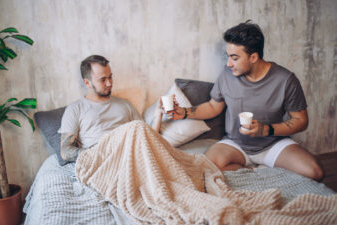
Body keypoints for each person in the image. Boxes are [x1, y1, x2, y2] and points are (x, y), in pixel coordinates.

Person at [169, 21, 323, 181]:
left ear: (253, 57)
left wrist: (267, 130)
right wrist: (185, 112)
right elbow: (213, 107)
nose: (228, 63)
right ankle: (254, 172)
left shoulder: (285, 80)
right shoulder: (227, 74)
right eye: (228, 56)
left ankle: (261, 170)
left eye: (234, 58)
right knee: (203, 169)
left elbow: (301, 121)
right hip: (235, 143)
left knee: (314, 173)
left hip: (272, 143)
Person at [58, 55, 162, 162]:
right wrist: (100, 154)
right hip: (103, 160)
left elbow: (147, 138)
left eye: (110, 77)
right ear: (87, 83)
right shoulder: (75, 109)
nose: (109, 83)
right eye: (102, 80)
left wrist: (159, 114)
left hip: (132, 155)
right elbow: (65, 151)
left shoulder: (124, 104)